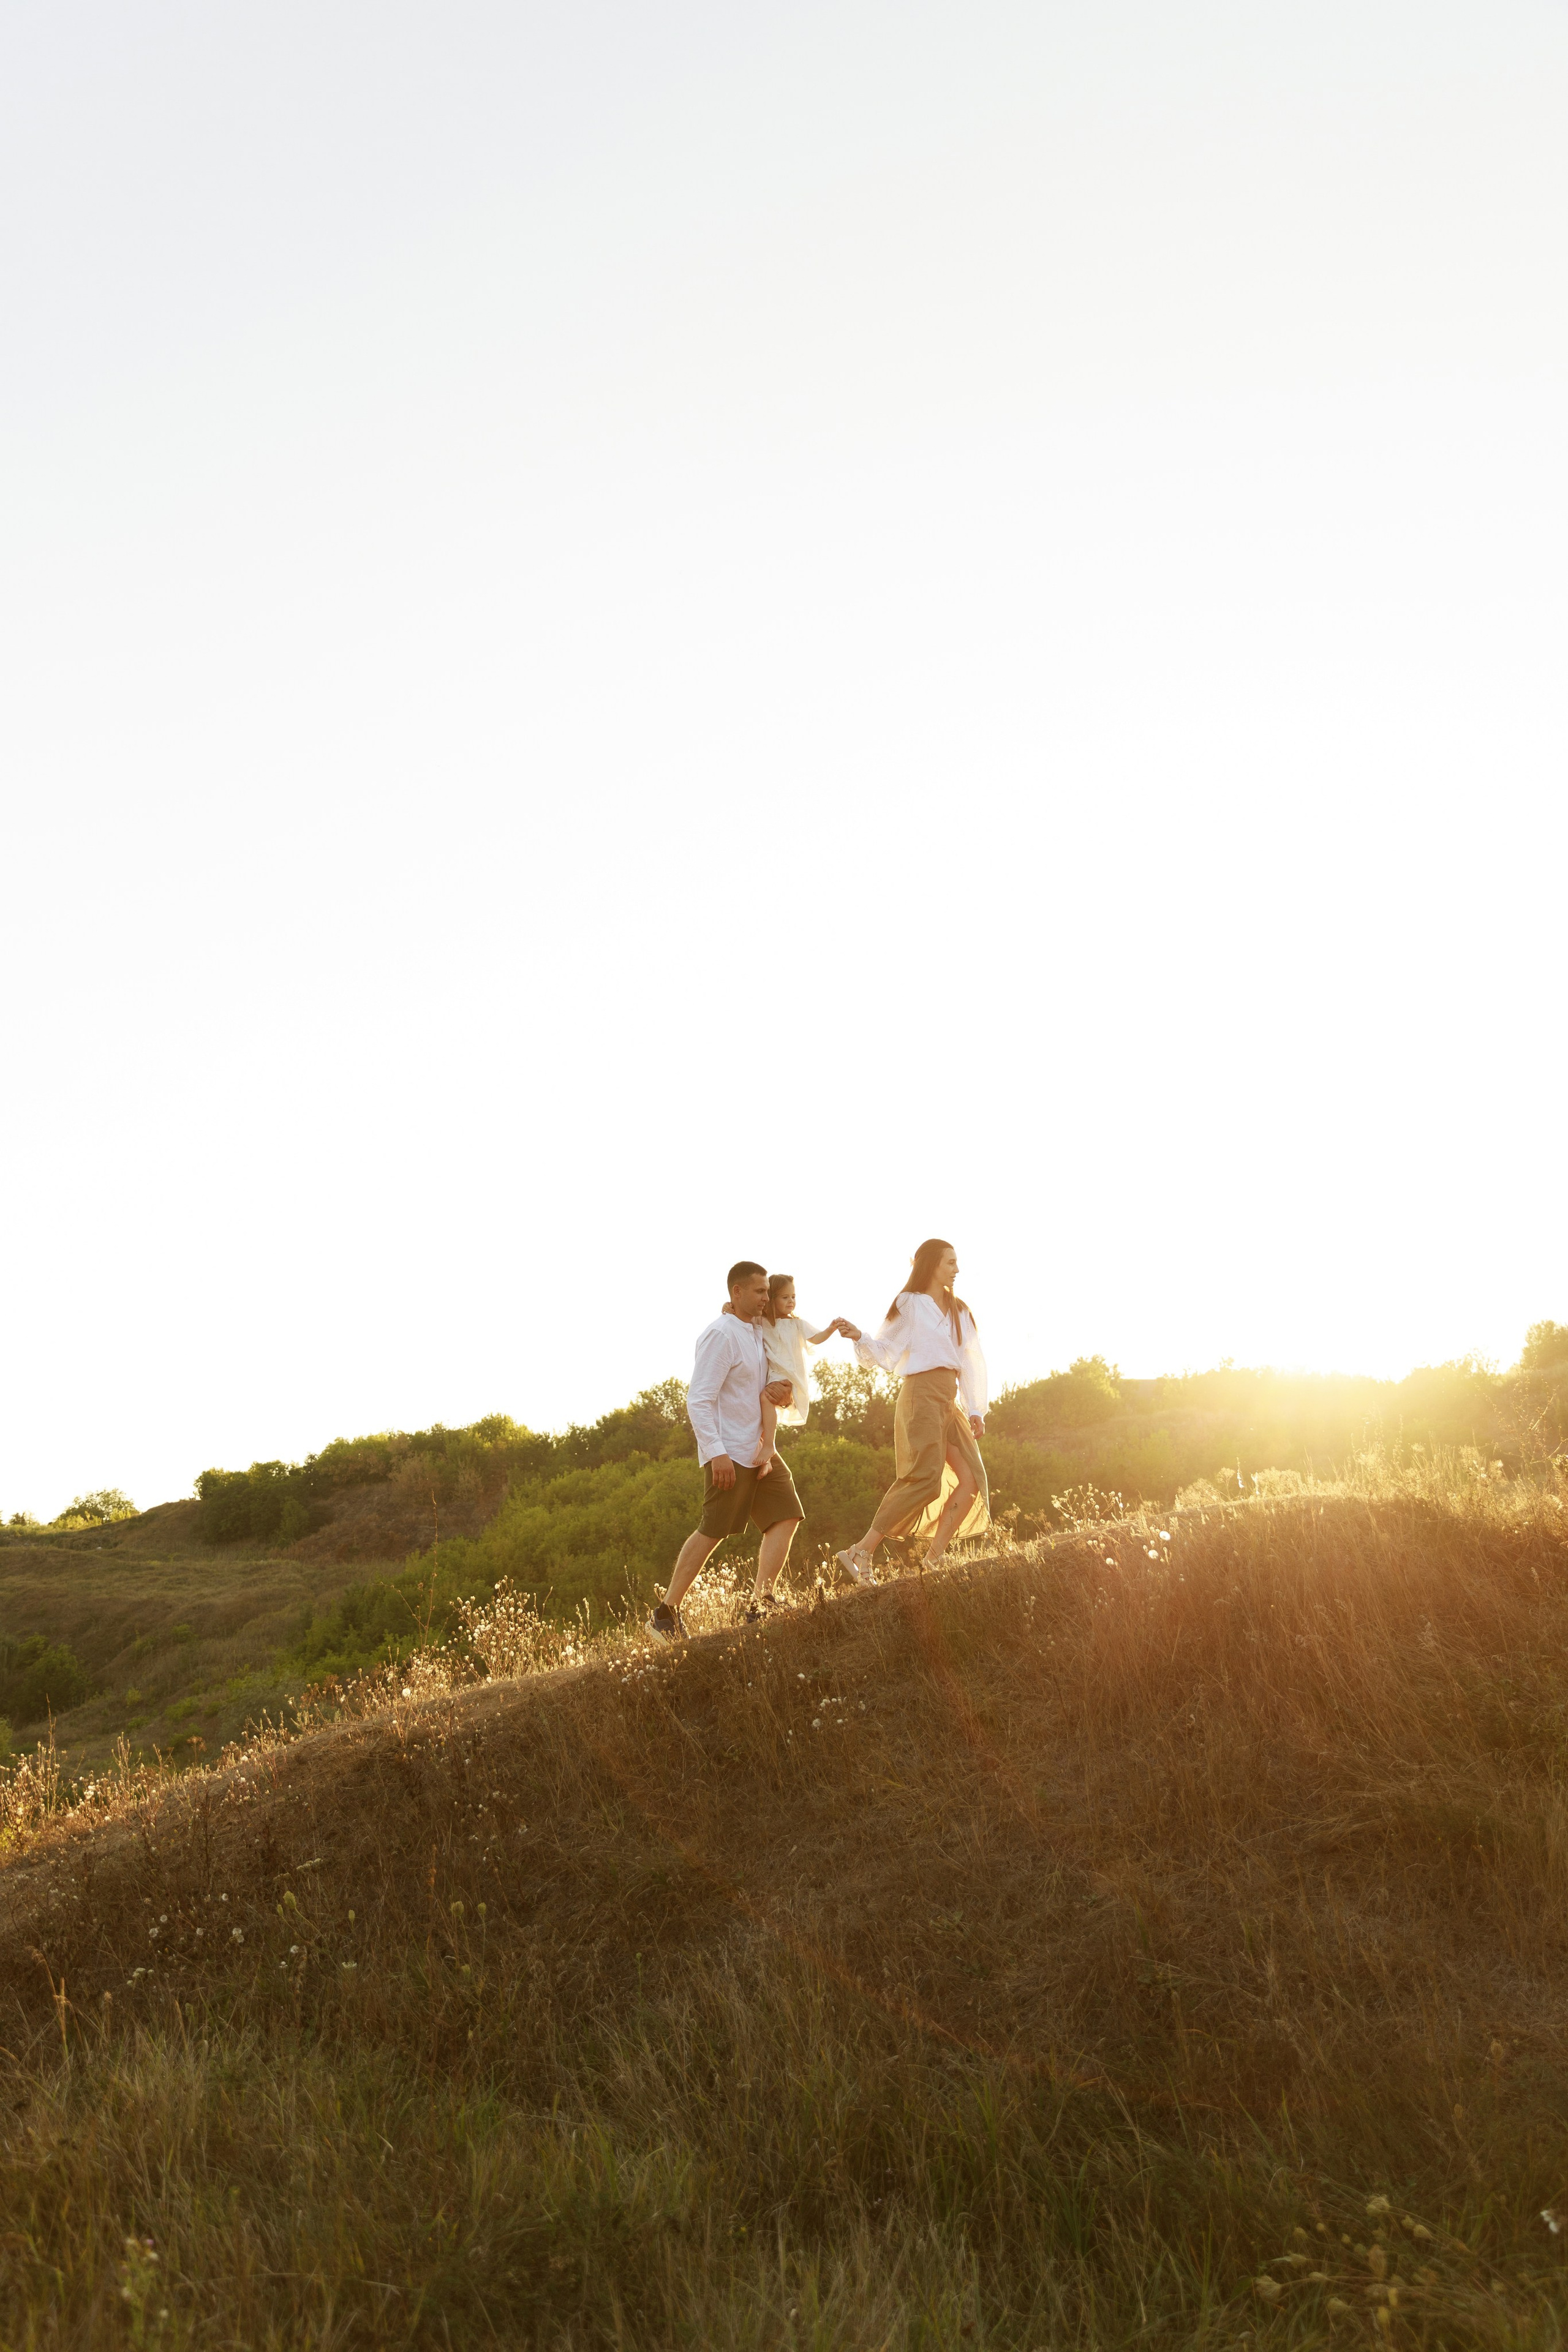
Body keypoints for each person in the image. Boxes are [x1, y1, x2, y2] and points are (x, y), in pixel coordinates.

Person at [648, 1261, 807, 1639]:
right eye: (759, 1292)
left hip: (760, 1450)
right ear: (736, 1292)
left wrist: (780, 1394)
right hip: (730, 1452)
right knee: (713, 1531)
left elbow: (763, 1384)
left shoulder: (757, 1330)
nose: (766, 1298)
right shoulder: (721, 1334)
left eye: (769, 1292)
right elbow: (699, 1400)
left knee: (786, 1515)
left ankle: (761, 1604)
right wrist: (716, 1452)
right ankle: (665, 1615)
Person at [834, 1238, 989, 1584]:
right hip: (921, 1395)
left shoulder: (960, 1309)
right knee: (924, 1481)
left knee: (972, 1479)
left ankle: (932, 1562)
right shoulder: (910, 1304)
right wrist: (860, 1337)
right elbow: (887, 1349)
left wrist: (975, 1407)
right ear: (932, 1264)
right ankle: (862, 1550)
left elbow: (971, 1359)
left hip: (949, 1398)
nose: (957, 1269)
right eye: (950, 1262)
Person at [726, 1272, 843, 1474]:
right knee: (759, 1410)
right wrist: (727, 1307)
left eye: (794, 1297)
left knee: (765, 1399)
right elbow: (738, 1315)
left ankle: (770, 1445)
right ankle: (765, 1457)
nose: (791, 1301)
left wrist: (831, 1329)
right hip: (772, 1373)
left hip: (788, 1374)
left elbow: (816, 1338)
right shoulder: (761, 1321)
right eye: (785, 1297)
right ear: (771, 1299)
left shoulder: (797, 1324)